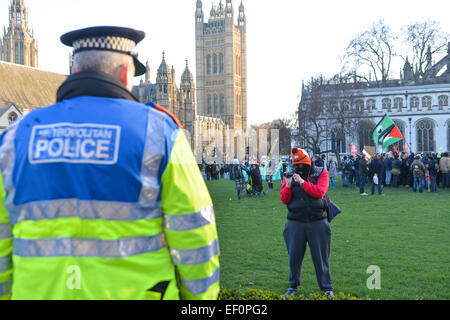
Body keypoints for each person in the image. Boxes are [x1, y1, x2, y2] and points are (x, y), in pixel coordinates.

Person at [0, 26, 219, 300]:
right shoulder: (159, 133)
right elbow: (195, 235)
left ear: (75, 70)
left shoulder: (15, 138)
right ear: (126, 74)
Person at [280, 148, 333, 298]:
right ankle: (293, 286)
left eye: (302, 165)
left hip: (318, 221)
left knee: (321, 257)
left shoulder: (321, 173)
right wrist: (289, 185)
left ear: (309, 162)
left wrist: (302, 182)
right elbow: (284, 199)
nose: (299, 168)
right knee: (294, 257)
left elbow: (319, 192)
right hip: (295, 221)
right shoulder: (289, 174)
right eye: (297, 165)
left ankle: (326, 288)